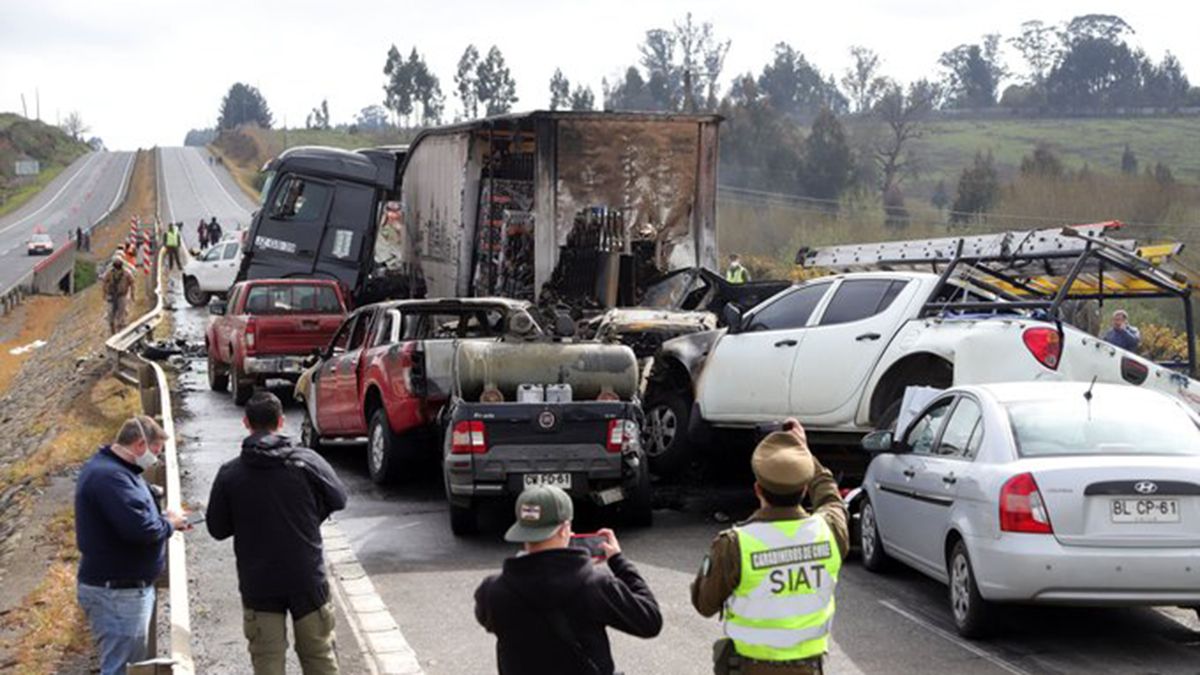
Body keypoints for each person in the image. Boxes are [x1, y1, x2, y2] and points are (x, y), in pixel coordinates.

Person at [691, 420, 848, 675]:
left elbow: (704, 604)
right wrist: (805, 454)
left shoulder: (735, 544)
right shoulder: (829, 532)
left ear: (757, 489)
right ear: (805, 488)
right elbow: (831, 498)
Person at [207, 391, 348, 675]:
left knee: (267, 663)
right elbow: (339, 499)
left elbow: (217, 529)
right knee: (319, 658)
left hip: (258, 582)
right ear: (281, 421)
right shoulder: (307, 462)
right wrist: (309, 517)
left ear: (246, 422)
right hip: (307, 577)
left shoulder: (230, 474)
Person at [475, 485, 663, 675]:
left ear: (521, 530)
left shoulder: (491, 591)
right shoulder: (595, 585)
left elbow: (490, 621)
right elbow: (650, 621)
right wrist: (619, 562)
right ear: (565, 529)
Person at [75, 415, 190, 675]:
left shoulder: (115, 470)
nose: (156, 458)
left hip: (121, 589)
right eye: (155, 451)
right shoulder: (110, 478)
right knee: (121, 668)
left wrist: (165, 521)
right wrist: (169, 525)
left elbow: (135, 518)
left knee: (127, 664)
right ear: (140, 445)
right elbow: (141, 530)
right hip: (117, 593)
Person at [102, 253, 136, 335]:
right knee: (110, 314)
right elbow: (104, 282)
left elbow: (132, 283)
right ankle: (112, 331)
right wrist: (104, 293)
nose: (117, 264)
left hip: (122, 296)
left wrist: (132, 294)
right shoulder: (110, 273)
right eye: (116, 262)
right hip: (111, 296)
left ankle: (120, 331)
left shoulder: (127, 273)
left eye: (119, 262)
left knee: (122, 314)